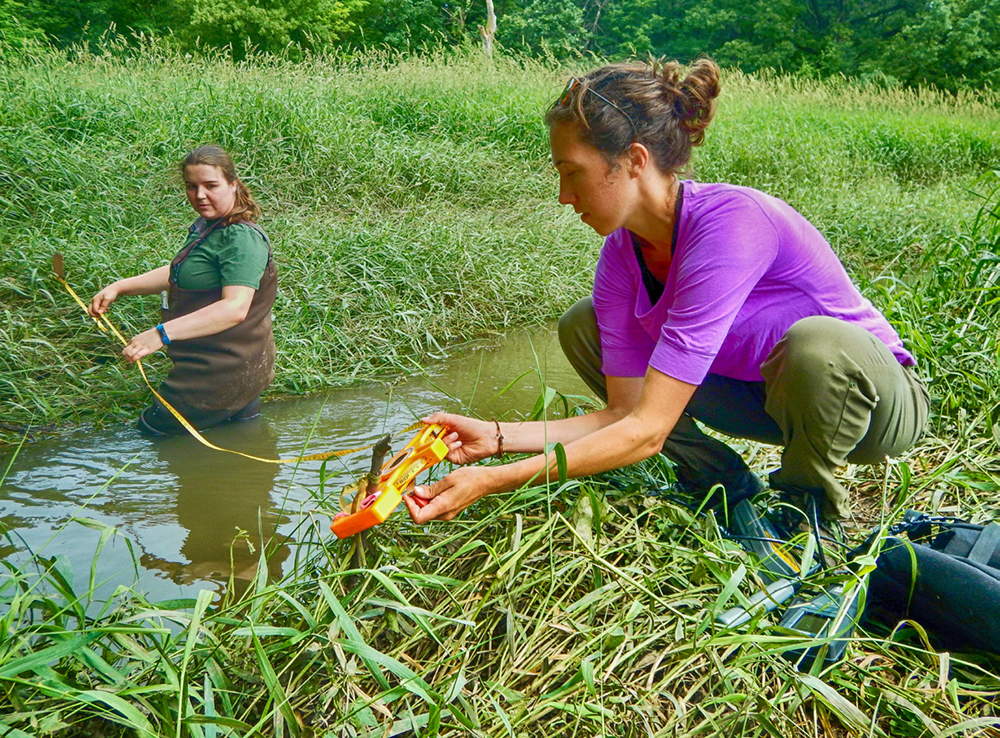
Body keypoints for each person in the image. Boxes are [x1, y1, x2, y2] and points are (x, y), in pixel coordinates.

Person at [404, 59, 929, 533]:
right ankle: (719, 481)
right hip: (767, 401)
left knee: (819, 343)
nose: (564, 197)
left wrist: (497, 480)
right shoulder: (621, 257)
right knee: (582, 326)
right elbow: (626, 415)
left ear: (633, 160)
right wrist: (495, 437)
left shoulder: (732, 224)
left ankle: (805, 509)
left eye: (572, 174)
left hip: (874, 408)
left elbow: (646, 433)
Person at [89, 145, 277, 435]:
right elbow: (184, 273)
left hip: (218, 374)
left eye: (211, 185)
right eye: (192, 186)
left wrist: (160, 334)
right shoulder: (210, 226)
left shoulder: (241, 239)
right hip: (233, 370)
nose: (200, 195)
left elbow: (234, 308)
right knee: (239, 444)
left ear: (233, 184)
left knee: (150, 432)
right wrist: (121, 287)